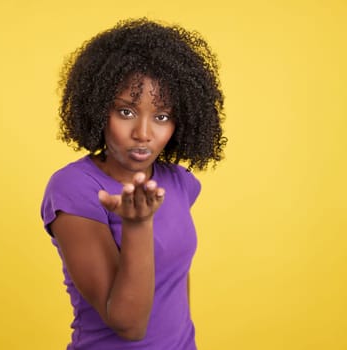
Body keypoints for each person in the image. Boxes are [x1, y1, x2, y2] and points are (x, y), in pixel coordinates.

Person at [40, 18, 226, 350]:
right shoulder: (74, 189)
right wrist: (138, 224)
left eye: (162, 116)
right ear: (98, 110)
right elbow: (129, 325)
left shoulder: (180, 183)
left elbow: (173, 283)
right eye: (126, 112)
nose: (143, 133)